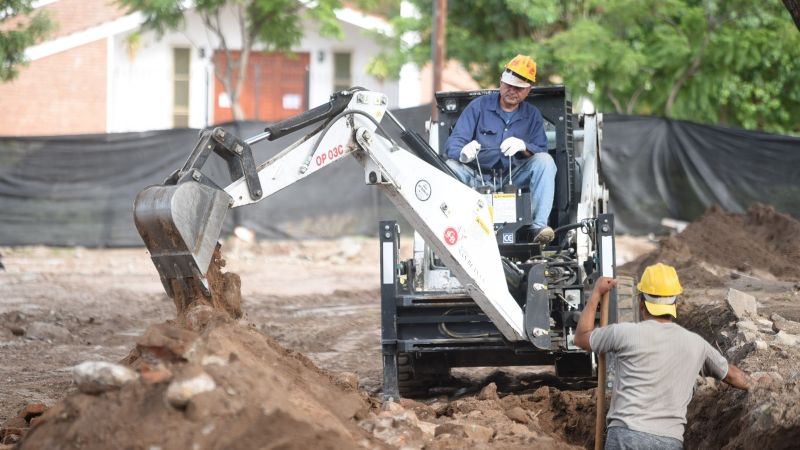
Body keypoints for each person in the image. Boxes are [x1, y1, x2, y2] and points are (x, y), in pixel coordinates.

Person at [574, 263, 756, 450]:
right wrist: (758, 385)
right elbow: (732, 375)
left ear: (641, 304)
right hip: (668, 442)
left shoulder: (623, 333)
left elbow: (580, 338)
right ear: (674, 304)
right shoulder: (697, 344)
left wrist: (596, 293)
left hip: (625, 437)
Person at [444, 54, 556, 244]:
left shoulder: (532, 115)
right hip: (476, 177)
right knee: (450, 167)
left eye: (518, 88)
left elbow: (541, 149)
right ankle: (451, 227)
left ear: (528, 90)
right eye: (508, 85)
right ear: (501, 82)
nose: (512, 91)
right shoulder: (478, 107)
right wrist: (463, 153)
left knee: (545, 162)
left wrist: (524, 147)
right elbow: (453, 143)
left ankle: (537, 228)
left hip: (514, 178)